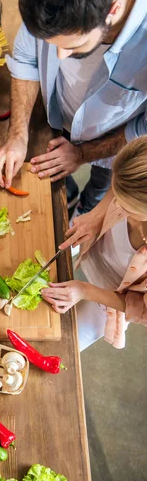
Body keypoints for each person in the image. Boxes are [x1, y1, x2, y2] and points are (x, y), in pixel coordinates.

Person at [0, 0, 147, 214]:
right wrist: (18, 135)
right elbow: (27, 58)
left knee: (101, 187)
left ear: (113, 10)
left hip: (115, 145)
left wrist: (82, 155)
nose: (59, 57)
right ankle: (70, 195)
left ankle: (85, 206)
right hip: (56, 117)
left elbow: (144, 128)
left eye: (73, 45)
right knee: (58, 176)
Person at [41, 136, 147, 351]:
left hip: (113, 296)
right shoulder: (136, 173)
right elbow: (121, 183)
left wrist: (84, 290)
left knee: (63, 348)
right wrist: (97, 215)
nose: (116, 202)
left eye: (124, 205)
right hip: (96, 247)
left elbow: (142, 309)